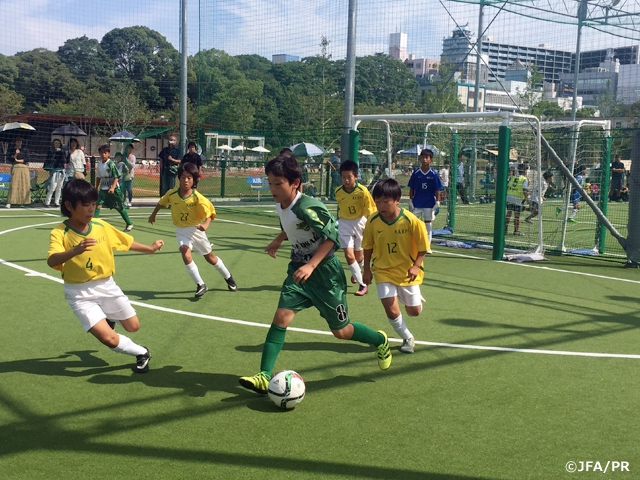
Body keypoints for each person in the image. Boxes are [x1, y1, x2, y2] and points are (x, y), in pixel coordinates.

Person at [238, 154, 392, 395]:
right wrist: (278, 240)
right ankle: (263, 376)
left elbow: (334, 238)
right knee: (281, 317)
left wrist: (312, 265)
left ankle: (379, 340)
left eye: (278, 183)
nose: (273, 189)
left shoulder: (308, 207)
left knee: (341, 331)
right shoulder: (281, 204)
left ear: (295, 182)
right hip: (298, 271)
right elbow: (289, 226)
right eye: (270, 183)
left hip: (326, 275)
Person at [47, 179, 164, 373]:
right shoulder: (60, 232)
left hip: (107, 286)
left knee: (133, 326)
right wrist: (74, 251)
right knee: (108, 338)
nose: (91, 209)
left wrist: (150, 249)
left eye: (93, 204)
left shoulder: (100, 225)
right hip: (79, 293)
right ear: (69, 205)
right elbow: (52, 260)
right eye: (85, 205)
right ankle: (141, 352)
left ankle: (107, 318)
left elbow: (125, 242)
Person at [148, 162, 237, 298]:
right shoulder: (172, 194)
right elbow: (161, 202)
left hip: (196, 230)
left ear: (194, 180)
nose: (185, 180)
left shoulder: (198, 198)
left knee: (210, 258)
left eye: (189, 178)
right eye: (183, 177)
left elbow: (210, 213)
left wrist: (205, 225)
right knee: (185, 252)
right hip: (181, 230)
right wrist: (153, 214)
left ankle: (228, 276)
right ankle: (200, 284)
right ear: (179, 178)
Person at [362, 178, 428, 354]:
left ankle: (413, 299)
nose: (381, 205)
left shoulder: (411, 220)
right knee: (390, 308)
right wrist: (366, 269)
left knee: (414, 312)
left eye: (386, 201)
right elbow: (367, 246)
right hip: (383, 270)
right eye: (377, 201)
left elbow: (423, 247)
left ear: (397, 200)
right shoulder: (372, 221)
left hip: (407, 272)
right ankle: (407, 337)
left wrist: (416, 266)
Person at [335, 159, 377, 296]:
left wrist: (372, 226)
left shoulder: (362, 191)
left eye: (349, 177)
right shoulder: (338, 191)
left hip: (359, 223)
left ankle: (356, 270)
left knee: (359, 256)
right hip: (344, 224)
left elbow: (371, 210)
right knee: (348, 255)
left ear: (356, 177)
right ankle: (362, 285)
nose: (346, 180)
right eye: (343, 177)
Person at [408, 148, 442, 254]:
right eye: (423, 157)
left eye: (427, 157)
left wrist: (437, 202)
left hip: (429, 203)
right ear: (420, 159)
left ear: (431, 160)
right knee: (413, 223)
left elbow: (437, 190)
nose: (424, 159)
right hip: (417, 203)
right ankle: (411, 245)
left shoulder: (434, 174)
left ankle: (427, 246)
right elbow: (411, 188)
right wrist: (410, 200)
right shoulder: (416, 173)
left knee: (428, 224)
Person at [94, 144, 134, 232]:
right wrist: (96, 187)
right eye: (101, 153)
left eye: (105, 153)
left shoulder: (111, 164)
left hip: (113, 189)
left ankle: (129, 223)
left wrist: (112, 187)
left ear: (108, 154)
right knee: (98, 204)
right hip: (103, 188)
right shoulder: (99, 163)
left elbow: (117, 176)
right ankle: (93, 224)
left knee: (118, 206)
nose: (103, 155)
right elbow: (99, 177)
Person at [505, 163, 529, 235]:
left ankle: (505, 229)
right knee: (517, 215)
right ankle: (516, 231)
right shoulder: (524, 179)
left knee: (508, 214)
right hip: (517, 198)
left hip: (509, 196)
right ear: (524, 170)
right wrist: (527, 199)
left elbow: (508, 186)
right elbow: (524, 189)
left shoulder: (513, 177)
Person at [44, 139, 66, 207]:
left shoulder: (62, 152)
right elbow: (50, 159)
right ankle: (47, 202)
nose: (57, 144)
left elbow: (64, 160)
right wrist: (54, 152)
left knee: (59, 188)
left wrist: (61, 153)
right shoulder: (50, 151)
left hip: (61, 171)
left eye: (58, 143)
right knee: (52, 187)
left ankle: (57, 202)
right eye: (55, 143)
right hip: (54, 171)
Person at [122, 143, 136, 207]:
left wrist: (127, 160)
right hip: (124, 175)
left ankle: (130, 201)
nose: (129, 149)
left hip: (130, 175)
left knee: (129, 189)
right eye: (128, 147)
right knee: (123, 188)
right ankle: (124, 200)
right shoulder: (124, 156)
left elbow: (132, 166)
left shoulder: (133, 157)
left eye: (131, 148)